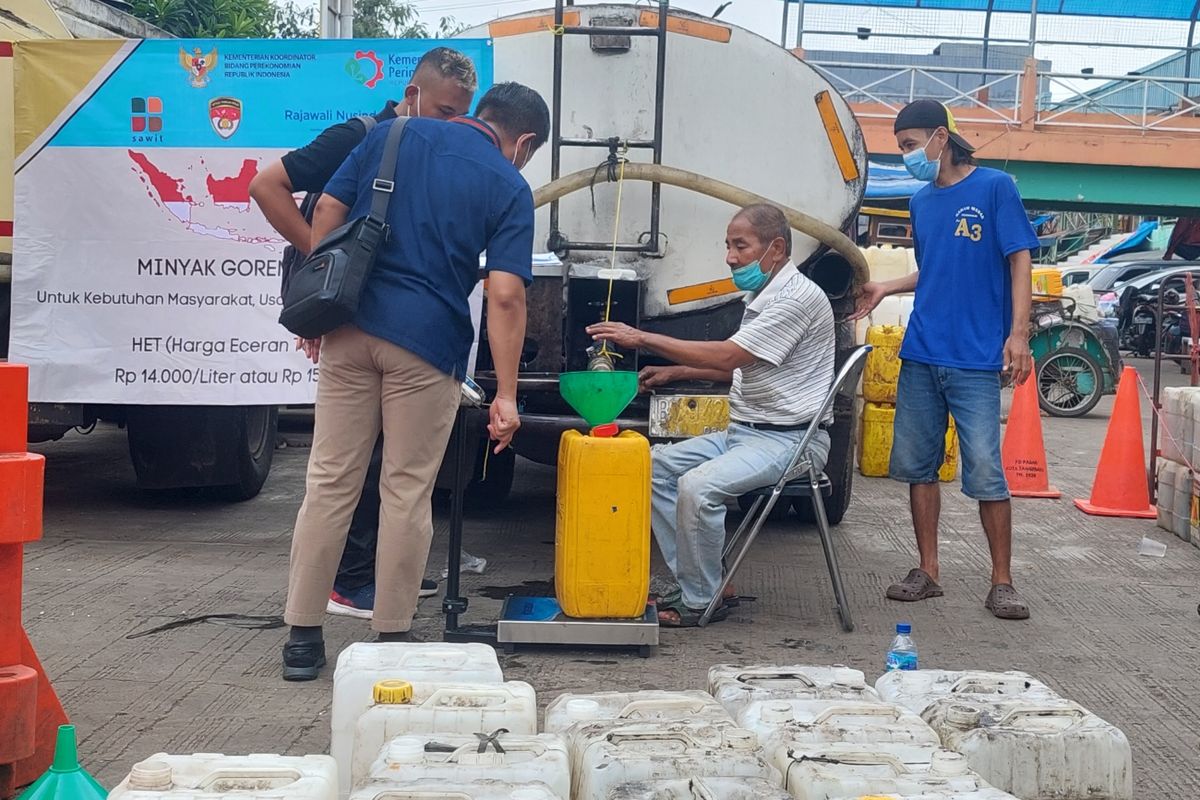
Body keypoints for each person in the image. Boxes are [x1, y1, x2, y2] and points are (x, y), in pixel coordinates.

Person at [280, 81, 550, 680]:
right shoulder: (508, 184)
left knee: (328, 480)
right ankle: (389, 638)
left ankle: (301, 637)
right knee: (405, 490)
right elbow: (504, 296)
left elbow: (326, 211)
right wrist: (505, 393)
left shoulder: (390, 135)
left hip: (349, 332)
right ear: (523, 141)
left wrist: (323, 306)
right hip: (427, 347)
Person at [250, 47, 477, 620]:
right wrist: (328, 268)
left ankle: (375, 575)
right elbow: (265, 186)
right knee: (353, 466)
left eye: (462, 115)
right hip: (346, 312)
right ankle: (351, 583)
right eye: (446, 111)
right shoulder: (360, 135)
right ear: (412, 94)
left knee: (384, 461)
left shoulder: (432, 153)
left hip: (391, 319)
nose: (453, 125)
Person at [587, 204, 836, 628]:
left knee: (697, 487)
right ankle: (703, 578)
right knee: (650, 466)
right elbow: (743, 363)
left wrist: (641, 337)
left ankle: (702, 598)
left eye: (741, 246)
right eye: (728, 245)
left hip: (793, 442)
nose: (730, 256)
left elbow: (731, 354)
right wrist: (679, 371)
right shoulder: (763, 293)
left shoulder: (796, 299)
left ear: (775, 249)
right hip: (746, 432)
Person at [852, 99, 1038, 621]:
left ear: (940, 136)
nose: (907, 156)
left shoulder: (996, 187)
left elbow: (1019, 258)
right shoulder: (921, 203)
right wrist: (886, 285)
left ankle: (1002, 581)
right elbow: (934, 270)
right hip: (921, 352)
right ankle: (928, 570)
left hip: (977, 357)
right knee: (919, 467)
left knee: (985, 470)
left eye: (910, 146)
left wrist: (1017, 334)